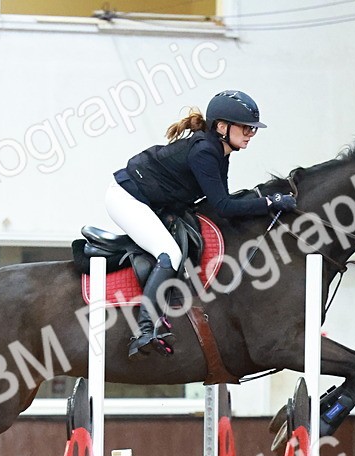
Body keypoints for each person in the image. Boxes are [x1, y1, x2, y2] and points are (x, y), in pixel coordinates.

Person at [105, 90, 297, 358]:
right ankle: (145, 331)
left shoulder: (220, 151)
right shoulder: (205, 152)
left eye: (253, 129)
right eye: (245, 128)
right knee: (169, 253)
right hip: (126, 198)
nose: (250, 134)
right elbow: (225, 206)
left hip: (154, 201)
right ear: (221, 126)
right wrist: (269, 202)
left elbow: (222, 201)